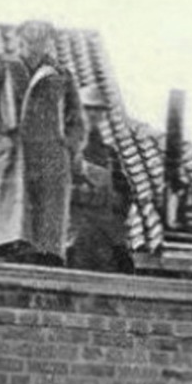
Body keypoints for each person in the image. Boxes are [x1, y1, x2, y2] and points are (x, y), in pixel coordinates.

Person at [0, 20, 87, 267]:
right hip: (9, 158)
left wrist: (64, 148)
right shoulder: (0, 68)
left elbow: (77, 122)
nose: (34, 45)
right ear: (18, 40)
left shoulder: (61, 75)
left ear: (49, 42)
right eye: (29, 39)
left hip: (47, 163)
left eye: (41, 39)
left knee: (41, 246)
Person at [66, 85, 136, 274]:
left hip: (104, 231)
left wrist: (114, 197)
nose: (92, 115)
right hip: (72, 231)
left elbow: (125, 194)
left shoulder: (109, 153)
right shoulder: (63, 148)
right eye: (87, 109)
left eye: (98, 110)